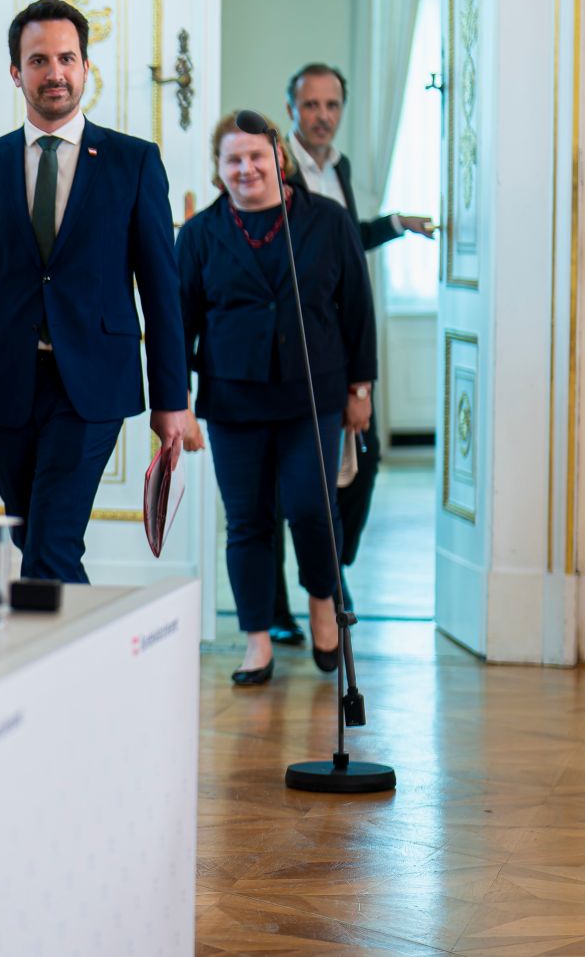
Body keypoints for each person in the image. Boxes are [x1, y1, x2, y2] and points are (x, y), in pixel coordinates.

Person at [0, 0, 188, 583]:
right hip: (12, 382)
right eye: (39, 60)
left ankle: (76, 673)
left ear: (86, 67)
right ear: (17, 73)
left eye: (67, 58)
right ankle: (78, 659)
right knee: (33, 540)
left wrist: (173, 399)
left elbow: (162, 291)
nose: (55, 72)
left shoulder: (133, 163)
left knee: (52, 546)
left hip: (93, 383)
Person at [177, 113, 377, 685]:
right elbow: (177, 324)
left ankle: (321, 601)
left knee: (311, 509)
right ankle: (257, 640)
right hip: (233, 399)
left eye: (256, 157)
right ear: (219, 171)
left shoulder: (328, 223)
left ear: (278, 160)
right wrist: (179, 403)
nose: (247, 169)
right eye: (233, 160)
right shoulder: (198, 236)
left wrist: (360, 389)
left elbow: (357, 312)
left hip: (313, 394)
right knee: (247, 523)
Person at [267, 64, 436, 640]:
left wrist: (393, 224)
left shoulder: (337, 167)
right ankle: (278, 607)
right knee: (274, 484)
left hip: (336, 341)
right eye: (310, 105)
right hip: (285, 345)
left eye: (331, 105)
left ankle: (330, 572)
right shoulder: (273, 164)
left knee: (360, 466)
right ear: (291, 109)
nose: (321, 115)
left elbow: (340, 241)